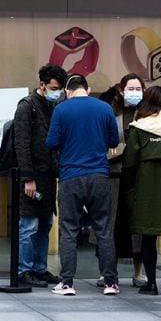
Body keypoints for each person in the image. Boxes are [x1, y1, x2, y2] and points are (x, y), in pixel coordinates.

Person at [46, 74, 120, 296]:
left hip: (71, 176)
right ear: (88, 89)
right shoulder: (104, 108)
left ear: (68, 91)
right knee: (104, 230)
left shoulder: (61, 110)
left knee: (68, 230)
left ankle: (67, 283)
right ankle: (110, 283)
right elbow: (114, 141)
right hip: (99, 175)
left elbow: (51, 142)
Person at [120, 86, 161, 295]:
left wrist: (128, 189)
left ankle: (151, 283)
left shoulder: (139, 127)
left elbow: (129, 163)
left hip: (146, 191)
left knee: (148, 237)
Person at [14, 63, 67, 289]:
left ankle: (39, 267)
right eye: (54, 87)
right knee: (28, 226)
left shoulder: (52, 106)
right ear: (42, 85)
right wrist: (28, 177)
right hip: (32, 176)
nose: (58, 92)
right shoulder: (27, 106)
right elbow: (22, 143)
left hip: (48, 176)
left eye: (61, 88)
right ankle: (24, 270)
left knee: (45, 224)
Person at [101, 73, 147, 287]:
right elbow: (102, 141)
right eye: (131, 88)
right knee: (109, 224)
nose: (135, 92)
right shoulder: (111, 111)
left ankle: (139, 272)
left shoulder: (147, 113)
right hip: (113, 174)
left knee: (138, 225)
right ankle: (108, 272)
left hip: (139, 177)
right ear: (121, 90)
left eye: (139, 88)